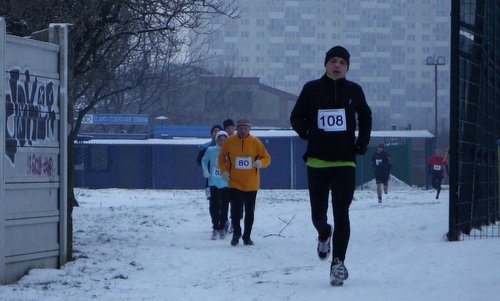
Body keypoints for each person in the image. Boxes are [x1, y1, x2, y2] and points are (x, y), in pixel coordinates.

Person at [290, 45, 372, 286]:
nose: (337, 65)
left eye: (342, 62)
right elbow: (296, 116)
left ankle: (338, 263)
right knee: (318, 215)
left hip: (345, 161)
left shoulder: (354, 91)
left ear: (347, 67)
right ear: (326, 64)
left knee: (342, 211)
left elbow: (366, 116)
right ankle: (324, 233)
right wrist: (307, 132)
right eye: (333, 61)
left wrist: (362, 142)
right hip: (317, 160)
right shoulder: (312, 89)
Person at [218, 119, 271, 246]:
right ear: (237, 129)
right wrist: (224, 171)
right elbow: (221, 158)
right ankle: (237, 233)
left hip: (251, 183)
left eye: (245, 128)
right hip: (235, 182)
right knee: (236, 210)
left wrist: (261, 163)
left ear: (249, 129)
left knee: (250, 211)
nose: (243, 131)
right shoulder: (230, 141)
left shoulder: (256, 142)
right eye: (240, 128)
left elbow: (267, 158)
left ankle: (247, 236)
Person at [201, 131, 230, 240]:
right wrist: (205, 171)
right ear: (216, 140)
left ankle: (222, 228)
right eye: (220, 140)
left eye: (224, 140)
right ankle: (215, 227)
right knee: (214, 206)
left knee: (224, 206)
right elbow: (204, 161)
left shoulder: (230, 151)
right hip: (213, 182)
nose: (222, 142)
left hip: (226, 182)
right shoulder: (211, 150)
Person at [197, 124, 222, 199]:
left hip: (223, 177)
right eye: (215, 131)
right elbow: (199, 161)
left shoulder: (227, 147)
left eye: (219, 131)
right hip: (210, 177)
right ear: (211, 133)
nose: (217, 133)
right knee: (211, 199)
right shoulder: (205, 147)